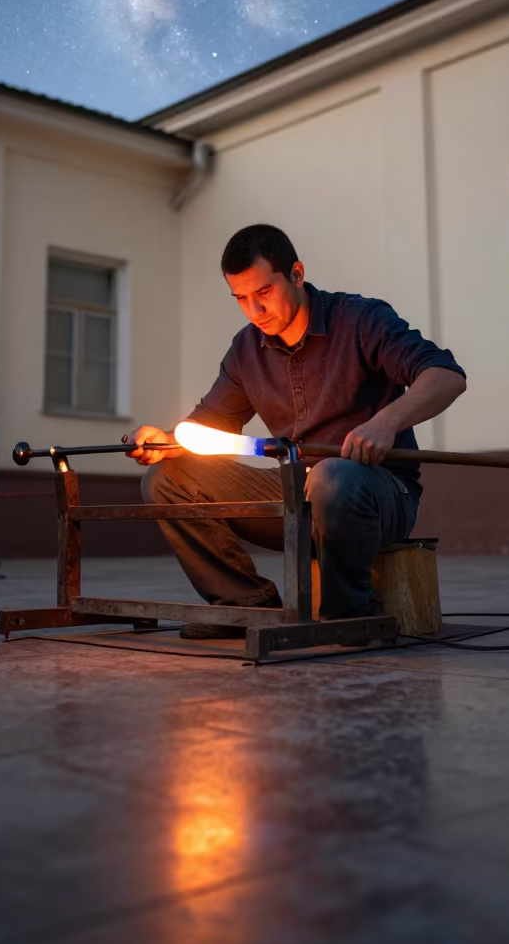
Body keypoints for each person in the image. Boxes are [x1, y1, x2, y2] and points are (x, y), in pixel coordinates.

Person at [128, 223, 467, 639]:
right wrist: (165, 441)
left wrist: (386, 422)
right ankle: (245, 606)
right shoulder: (246, 349)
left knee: (332, 475)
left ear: (297, 274)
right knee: (166, 480)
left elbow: (447, 376)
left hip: (376, 495)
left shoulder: (360, 320)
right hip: (294, 491)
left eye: (264, 293)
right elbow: (206, 428)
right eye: (241, 299)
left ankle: (350, 612)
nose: (255, 311)